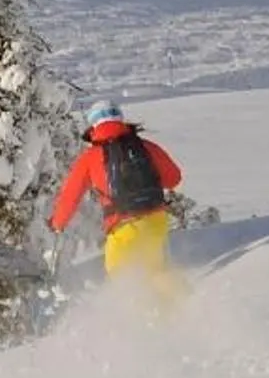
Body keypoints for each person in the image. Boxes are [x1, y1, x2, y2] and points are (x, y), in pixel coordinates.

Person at [50, 101, 184, 299]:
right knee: (156, 270)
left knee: (123, 281)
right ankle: (183, 307)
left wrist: (57, 223)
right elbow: (174, 178)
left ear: (93, 126)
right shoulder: (145, 146)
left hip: (123, 227)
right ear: (120, 119)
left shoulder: (90, 157)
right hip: (156, 219)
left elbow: (70, 196)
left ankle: (141, 321)